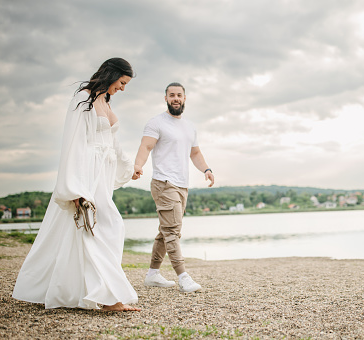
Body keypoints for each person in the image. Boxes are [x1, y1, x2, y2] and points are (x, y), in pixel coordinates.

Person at [12, 58, 140, 312]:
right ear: (112, 74)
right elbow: (73, 144)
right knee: (100, 228)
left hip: (102, 176)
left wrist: (129, 166)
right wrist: (75, 188)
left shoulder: (105, 101)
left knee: (97, 229)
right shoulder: (83, 100)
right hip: (87, 175)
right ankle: (107, 298)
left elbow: (112, 142)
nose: (123, 89)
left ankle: (85, 291)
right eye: (122, 82)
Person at [132, 82, 214, 293]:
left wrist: (206, 169)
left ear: (184, 98)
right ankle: (183, 276)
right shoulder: (156, 123)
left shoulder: (189, 126)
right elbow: (146, 146)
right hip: (164, 183)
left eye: (179, 95)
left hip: (182, 185)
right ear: (166, 98)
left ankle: (152, 274)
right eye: (171, 95)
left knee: (165, 230)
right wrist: (138, 165)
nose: (175, 98)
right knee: (172, 231)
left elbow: (195, 153)